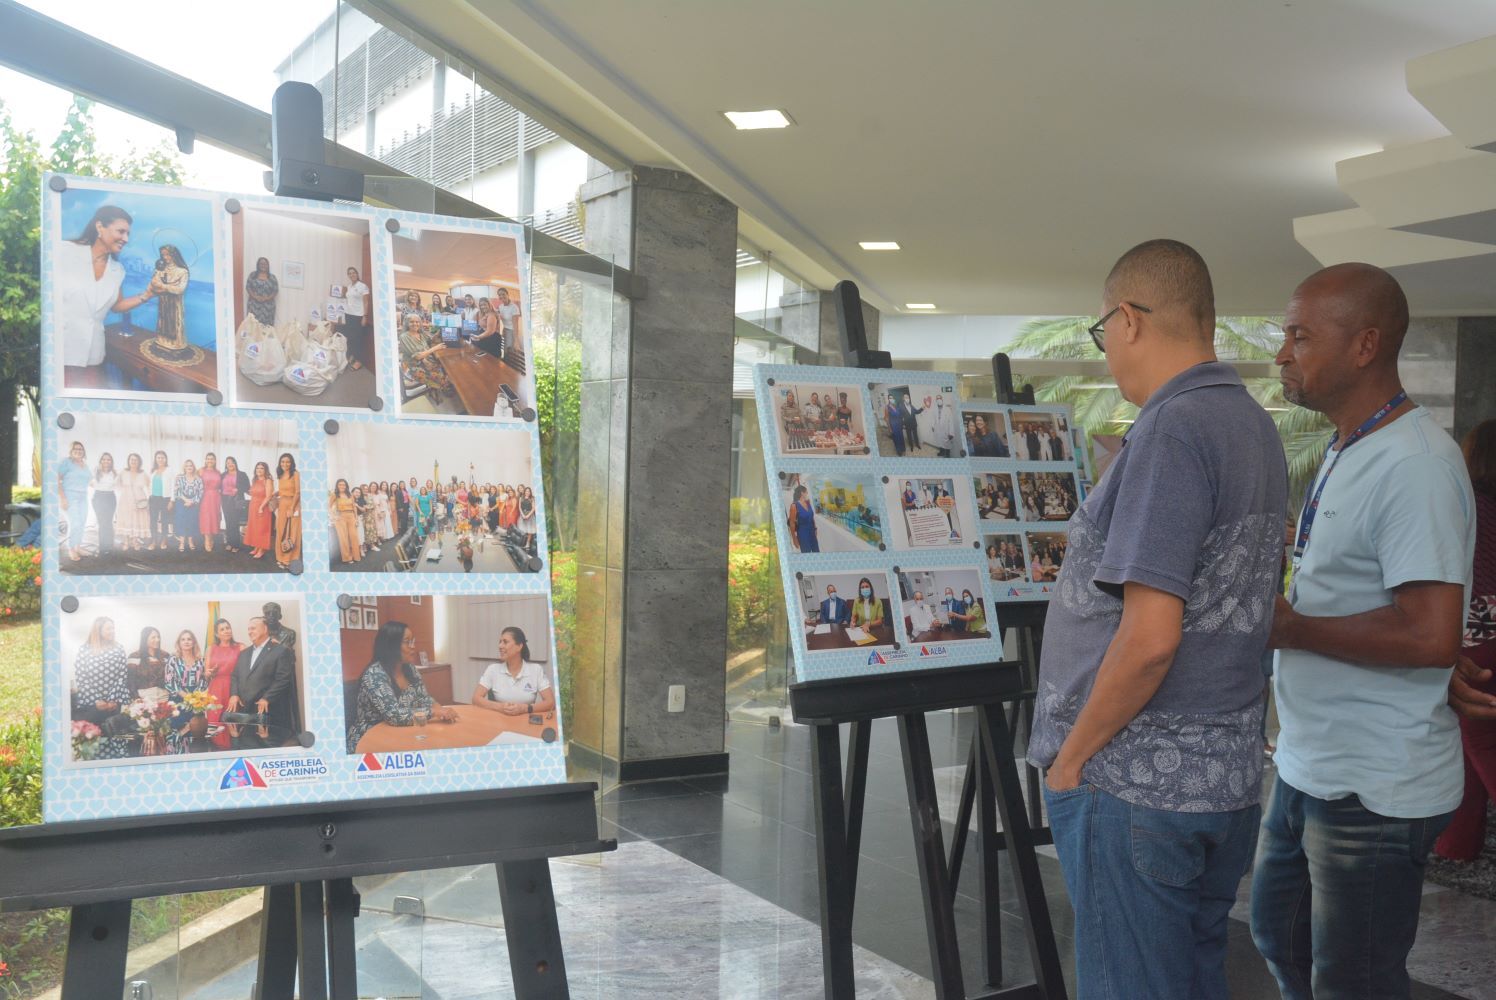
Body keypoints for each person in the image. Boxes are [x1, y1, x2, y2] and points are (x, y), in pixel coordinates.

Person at [1028, 239, 1286, 1000]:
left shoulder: (1173, 429)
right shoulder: (1249, 422)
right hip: (1220, 778)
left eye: (1102, 331)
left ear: (1129, 320)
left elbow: (1149, 639)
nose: (1107, 349)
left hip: (1137, 780)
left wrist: (1072, 760)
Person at [1252, 263, 1475, 999]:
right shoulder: (1350, 444)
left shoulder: (1415, 464)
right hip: (1309, 762)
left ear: (1365, 345)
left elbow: (1430, 636)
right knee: (1278, 937)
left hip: (1373, 784)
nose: (1282, 353)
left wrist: (1292, 628)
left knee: (1357, 982)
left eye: (1299, 336)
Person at [1432, 419, 1496, 861]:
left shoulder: (1466, 504)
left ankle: (1458, 843)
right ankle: (1457, 844)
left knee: (1479, 738)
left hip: (1475, 637)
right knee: (1469, 736)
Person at [58, 206, 161, 381]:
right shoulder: (64, 251)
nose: (126, 239)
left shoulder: (117, 270)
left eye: (128, 234)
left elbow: (117, 306)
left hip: (93, 357)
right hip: (62, 352)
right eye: (121, 232)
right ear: (100, 227)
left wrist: (147, 295)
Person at [346, 622, 458, 753]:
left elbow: (424, 698)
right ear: (390, 645)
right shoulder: (374, 675)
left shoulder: (410, 669)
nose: (413, 646)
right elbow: (393, 715)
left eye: (413, 641)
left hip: (399, 731)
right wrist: (434, 712)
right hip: (369, 737)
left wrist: (441, 709)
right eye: (407, 642)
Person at [228, 616, 297, 749]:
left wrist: (267, 698)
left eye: (253, 628)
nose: (250, 632)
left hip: (269, 713)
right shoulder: (244, 653)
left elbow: (283, 679)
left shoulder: (280, 651)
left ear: (265, 629)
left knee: (268, 752)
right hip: (245, 714)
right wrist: (234, 694)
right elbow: (235, 676)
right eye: (248, 629)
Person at [71, 617, 131, 760]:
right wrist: (96, 700)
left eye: (113, 628)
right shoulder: (85, 650)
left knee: (114, 735)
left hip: (113, 702)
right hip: (92, 703)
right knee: (95, 736)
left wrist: (113, 700)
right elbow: (82, 676)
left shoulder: (118, 648)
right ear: (98, 630)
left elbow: (122, 675)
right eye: (108, 628)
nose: (112, 631)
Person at [472, 627, 555, 715]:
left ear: (519, 646)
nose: (500, 646)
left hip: (525, 720)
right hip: (499, 720)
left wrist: (525, 708)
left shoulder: (536, 670)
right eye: (500, 642)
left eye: (505, 642)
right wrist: (499, 707)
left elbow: (551, 702)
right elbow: (476, 699)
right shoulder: (492, 669)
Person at [163, 629, 207, 753]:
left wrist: (195, 698)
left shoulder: (200, 660)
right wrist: (185, 695)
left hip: (196, 703)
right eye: (183, 639)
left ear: (193, 642)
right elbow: (169, 681)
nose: (186, 642)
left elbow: (203, 680)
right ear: (179, 643)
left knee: (195, 735)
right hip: (177, 701)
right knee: (177, 733)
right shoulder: (173, 659)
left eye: (189, 639)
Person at [205, 619, 242, 751]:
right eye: (222, 629)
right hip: (215, 689)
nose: (226, 631)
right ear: (217, 634)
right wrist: (209, 672)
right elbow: (206, 673)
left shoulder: (240, 647)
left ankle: (234, 749)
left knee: (233, 721)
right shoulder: (211, 648)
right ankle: (216, 750)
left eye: (228, 628)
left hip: (234, 689)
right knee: (214, 721)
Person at [148, 245, 191, 353]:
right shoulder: (160, 269)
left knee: (175, 324)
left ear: (174, 255)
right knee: (163, 322)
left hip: (175, 304)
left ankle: (175, 344)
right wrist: (164, 287)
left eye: (167, 254)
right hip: (163, 302)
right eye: (163, 255)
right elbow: (153, 285)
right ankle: (163, 341)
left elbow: (180, 289)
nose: (165, 257)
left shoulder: (182, 271)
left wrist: (163, 286)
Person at [57, 440, 91, 562]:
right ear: (71, 451)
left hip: (83, 496)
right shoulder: (66, 462)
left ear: (84, 451)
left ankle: (78, 547)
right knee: (75, 523)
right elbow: (57, 479)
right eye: (75, 449)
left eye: (80, 449)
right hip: (70, 496)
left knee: (82, 522)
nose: (78, 451)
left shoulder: (85, 465)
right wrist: (62, 498)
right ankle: (71, 548)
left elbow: (89, 481)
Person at [115, 452, 150, 552]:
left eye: (135, 460)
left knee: (137, 520)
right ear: (128, 461)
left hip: (139, 500)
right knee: (126, 520)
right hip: (125, 499)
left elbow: (149, 486)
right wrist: (123, 491)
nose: (133, 461)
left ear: (139, 462)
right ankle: (126, 542)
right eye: (131, 459)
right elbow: (116, 484)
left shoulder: (143, 473)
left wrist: (148, 499)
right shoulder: (123, 472)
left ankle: (135, 541)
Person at [273, 453, 301, 570]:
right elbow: (282, 490)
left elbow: (298, 492)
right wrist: (275, 494)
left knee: (292, 532)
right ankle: (280, 557)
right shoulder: (280, 474)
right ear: (280, 463)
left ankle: (289, 559)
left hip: (293, 504)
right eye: (283, 461)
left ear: (292, 463)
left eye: (288, 462)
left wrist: (291, 508)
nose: (285, 464)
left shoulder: (295, 474)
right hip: (282, 504)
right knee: (281, 530)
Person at [170, 458, 203, 553]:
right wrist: (186, 500)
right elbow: (177, 491)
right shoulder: (179, 477)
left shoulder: (198, 479)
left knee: (192, 521)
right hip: (181, 502)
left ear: (193, 467)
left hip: (193, 503)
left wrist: (192, 502)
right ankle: (182, 542)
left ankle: (190, 541)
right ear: (184, 467)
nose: (189, 467)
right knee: (182, 521)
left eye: (191, 465)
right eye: (187, 465)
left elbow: (200, 492)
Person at [89, 451, 118, 554]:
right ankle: (103, 547)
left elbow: (118, 485)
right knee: (102, 523)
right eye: (104, 459)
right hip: (98, 497)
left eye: (108, 459)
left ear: (111, 461)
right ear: (101, 461)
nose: (106, 461)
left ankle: (110, 546)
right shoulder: (95, 471)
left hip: (110, 497)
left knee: (108, 522)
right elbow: (89, 482)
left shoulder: (114, 473)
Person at [342, 266, 371, 370]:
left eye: (353, 272)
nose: (352, 275)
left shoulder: (363, 286)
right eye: (349, 273)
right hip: (348, 315)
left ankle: (359, 361)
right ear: (348, 275)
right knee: (351, 338)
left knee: (358, 339)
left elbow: (366, 302)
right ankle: (353, 356)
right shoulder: (349, 286)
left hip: (358, 316)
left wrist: (365, 316)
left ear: (357, 274)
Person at [219, 456, 249, 554]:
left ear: (235, 463)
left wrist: (238, 489)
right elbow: (219, 487)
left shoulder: (242, 474)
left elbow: (247, 487)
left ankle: (236, 545)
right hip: (225, 501)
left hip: (236, 501)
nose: (230, 464)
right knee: (228, 522)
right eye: (228, 463)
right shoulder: (223, 475)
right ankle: (229, 543)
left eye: (232, 462)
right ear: (226, 465)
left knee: (235, 522)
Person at [126, 626, 166, 697]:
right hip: (143, 698)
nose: (157, 640)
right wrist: (136, 698)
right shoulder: (134, 656)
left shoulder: (165, 656)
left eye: (158, 637)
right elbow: (131, 682)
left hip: (164, 696)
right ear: (145, 639)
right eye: (153, 637)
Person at [245, 461, 274, 560]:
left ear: (265, 470)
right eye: (257, 468)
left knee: (262, 529)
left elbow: (268, 496)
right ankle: (257, 547)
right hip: (253, 506)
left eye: (261, 468)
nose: (259, 470)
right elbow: (252, 492)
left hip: (263, 507)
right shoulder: (255, 480)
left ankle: (262, 549)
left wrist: (261, 507)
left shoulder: (268, 480)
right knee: (255, 528)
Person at [330, 479, 359, 564]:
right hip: (340, 517)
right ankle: (347, 558)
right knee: (343, 538)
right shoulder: (334, 495)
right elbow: (328, 506)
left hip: (351, 516)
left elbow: (354, 507)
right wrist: (333, 516)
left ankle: (356, 556)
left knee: (354, 537)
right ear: (337, 486)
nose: (342, 486)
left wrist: (356, 518)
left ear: (346, 486)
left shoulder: (350, 495)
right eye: (340, 484)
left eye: (344, 485)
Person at [198, 452, 221, 554]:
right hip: (205, 496)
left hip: (216, 497)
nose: (210, 460)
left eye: (212, 459)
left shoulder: (218, 472)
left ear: (215, 461)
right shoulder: (201, 471)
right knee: (206, 518)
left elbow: (221, 485)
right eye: (208, 458)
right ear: (205, 460)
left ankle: (211, 537)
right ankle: (207, 540)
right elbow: (194, 481)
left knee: (214, 517)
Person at [148, 450, 171, 551]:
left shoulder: (169, 470)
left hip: (165, 499)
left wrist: (172, 501)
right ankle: (153, 541)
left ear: (165, 459)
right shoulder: (153, 470)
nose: (160, 459)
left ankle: (164, 540)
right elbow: (149, 485)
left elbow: (173, 486)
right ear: (155, 459)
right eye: (158, 458)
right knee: (153, 521)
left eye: (162, 457)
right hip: (153, 499)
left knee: (164, 520)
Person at [245, 257, 279, 325]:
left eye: (265, 264)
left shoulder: (272, 277)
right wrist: (255, 297)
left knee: (267, 327)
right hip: (253, 306)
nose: (263, 265)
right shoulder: (252, 275)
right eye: (261, 264)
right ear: (258, 265)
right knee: (253, 325)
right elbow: (248, 287)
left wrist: (267, 298)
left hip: (268, 307)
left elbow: (275, 290)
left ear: (268, 265)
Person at [788, 485, 819, 553]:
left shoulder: (808, 503)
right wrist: (794, 539)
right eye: (806, 492)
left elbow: (812, 517)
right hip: (803, 534)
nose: (807, 494)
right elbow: (792, 523)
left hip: (812, 532)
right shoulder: (794, 506)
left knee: (817, 552)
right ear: (802, 493)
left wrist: (815, 528)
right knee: (807, 553)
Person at [495, 287, 523, 358]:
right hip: (506, 330)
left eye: (503, 294)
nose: (501, 296)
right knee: (505, 352)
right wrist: (503, 329)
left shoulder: (514, 307)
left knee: (510, 352)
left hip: (512, 331)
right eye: (499, 295)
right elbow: (501, 318)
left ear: (507, 295)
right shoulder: (501, 307)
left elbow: (515, 325)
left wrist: (516, 340)